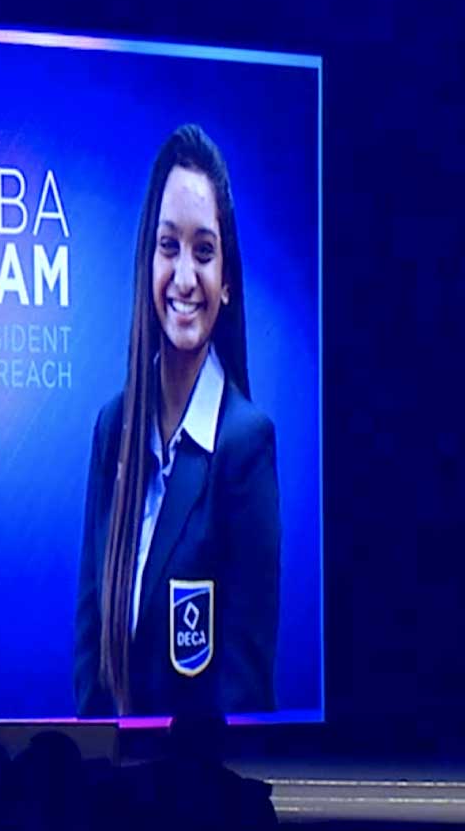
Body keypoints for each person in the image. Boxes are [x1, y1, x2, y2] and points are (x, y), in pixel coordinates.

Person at [74, 124, 280, 717]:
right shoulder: (112, 429)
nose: (185, 278)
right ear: (147, 261)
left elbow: (244, 687)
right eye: (169, 247)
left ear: (228, 282)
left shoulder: (245, 443)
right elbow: (90, 656)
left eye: (205, 251)